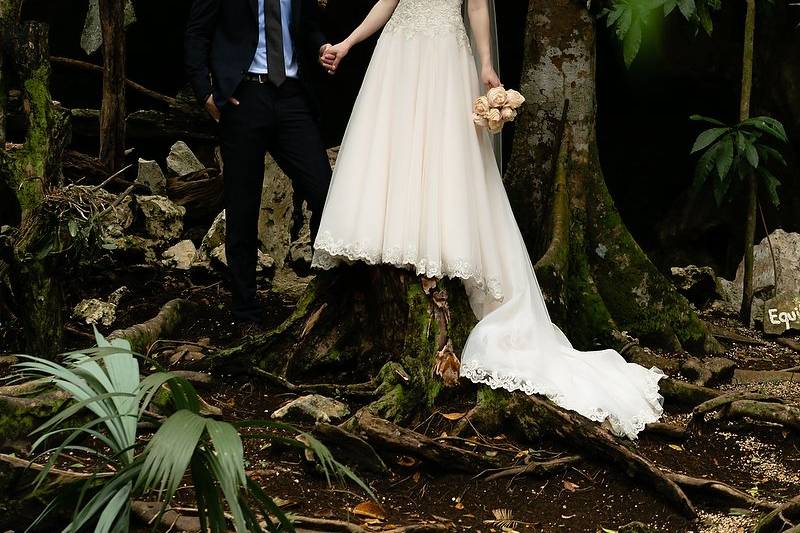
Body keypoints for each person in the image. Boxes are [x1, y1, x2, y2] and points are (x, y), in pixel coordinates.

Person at [313, 0, 665, 439]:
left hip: (444, 52)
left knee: (444, 153)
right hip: (399, 49)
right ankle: (395, 237)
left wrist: (485, 64)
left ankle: (438, 244)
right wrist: (347, 44)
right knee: (395, 144)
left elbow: (477, 5)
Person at [185, 0, 334, 332]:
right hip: (244, 97)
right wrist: (206, 94)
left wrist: (321, 45)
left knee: (325, 191)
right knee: (242, 206)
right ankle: (245, 311)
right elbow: (197, 33)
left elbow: (306, 25)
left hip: (292, 97)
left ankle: (326, 295)